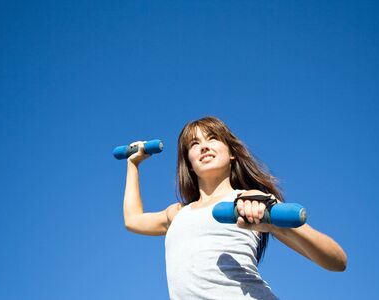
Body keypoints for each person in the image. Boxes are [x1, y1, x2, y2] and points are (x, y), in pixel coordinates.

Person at [123, 116, 347, 299]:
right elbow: (133, 220)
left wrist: (277, 226)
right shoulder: (178, 213)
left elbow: (337, 261)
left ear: (231, 153)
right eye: (194, 144)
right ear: (189, 163)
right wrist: (133, 165)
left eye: (212, 138)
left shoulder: (250, 199)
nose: (204, 147)